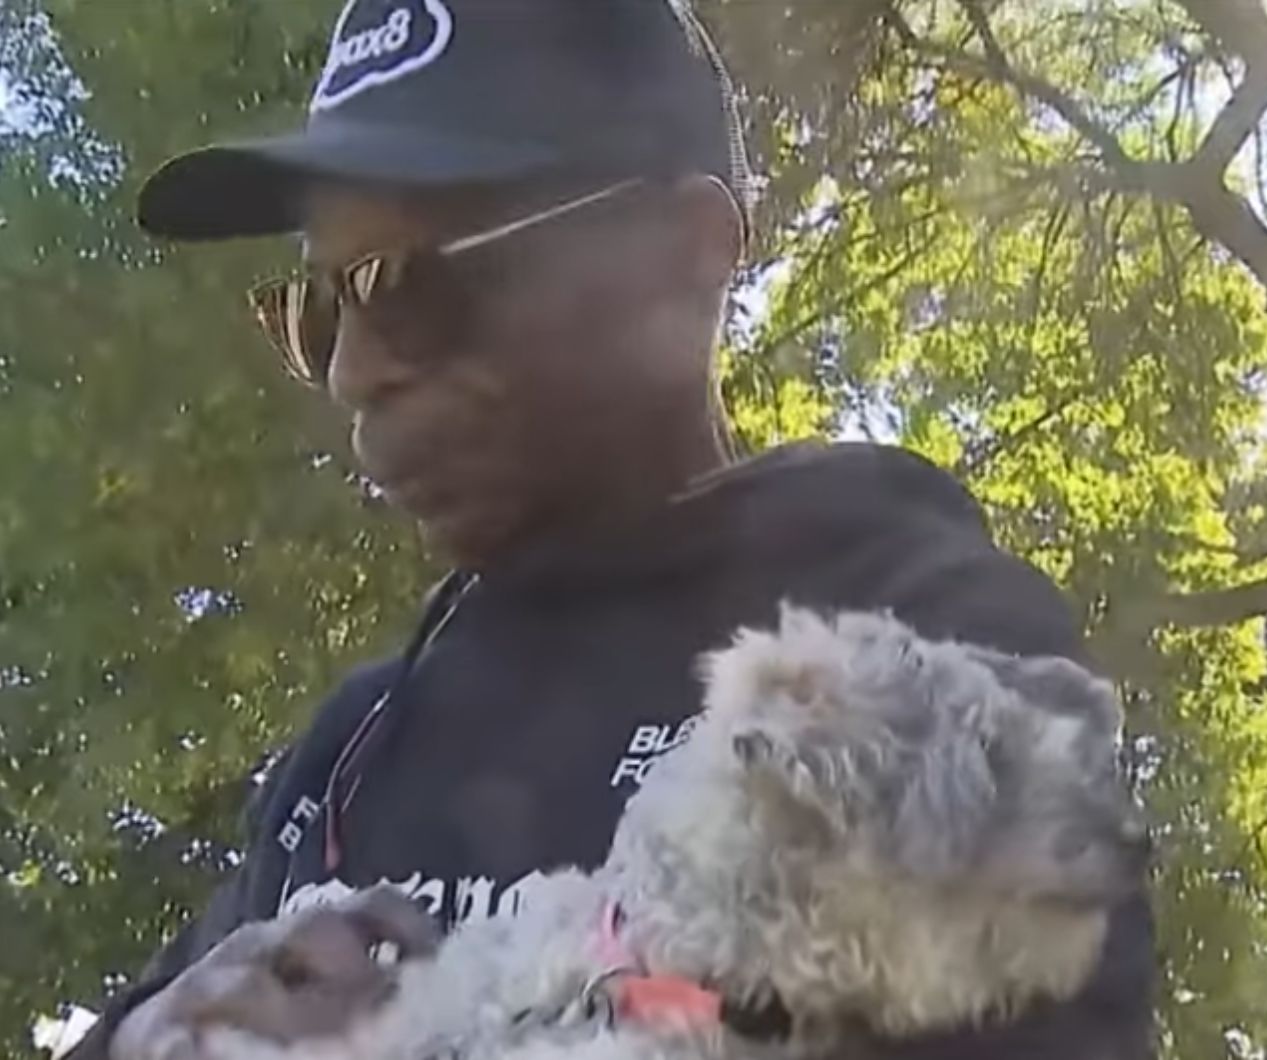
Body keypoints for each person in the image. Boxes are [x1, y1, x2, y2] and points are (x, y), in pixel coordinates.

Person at [73, 1, 1155, 1057]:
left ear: (683, 255)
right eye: (318, 307)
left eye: (407, 282)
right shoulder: (349, 752)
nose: (354, 371)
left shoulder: (931, 641)